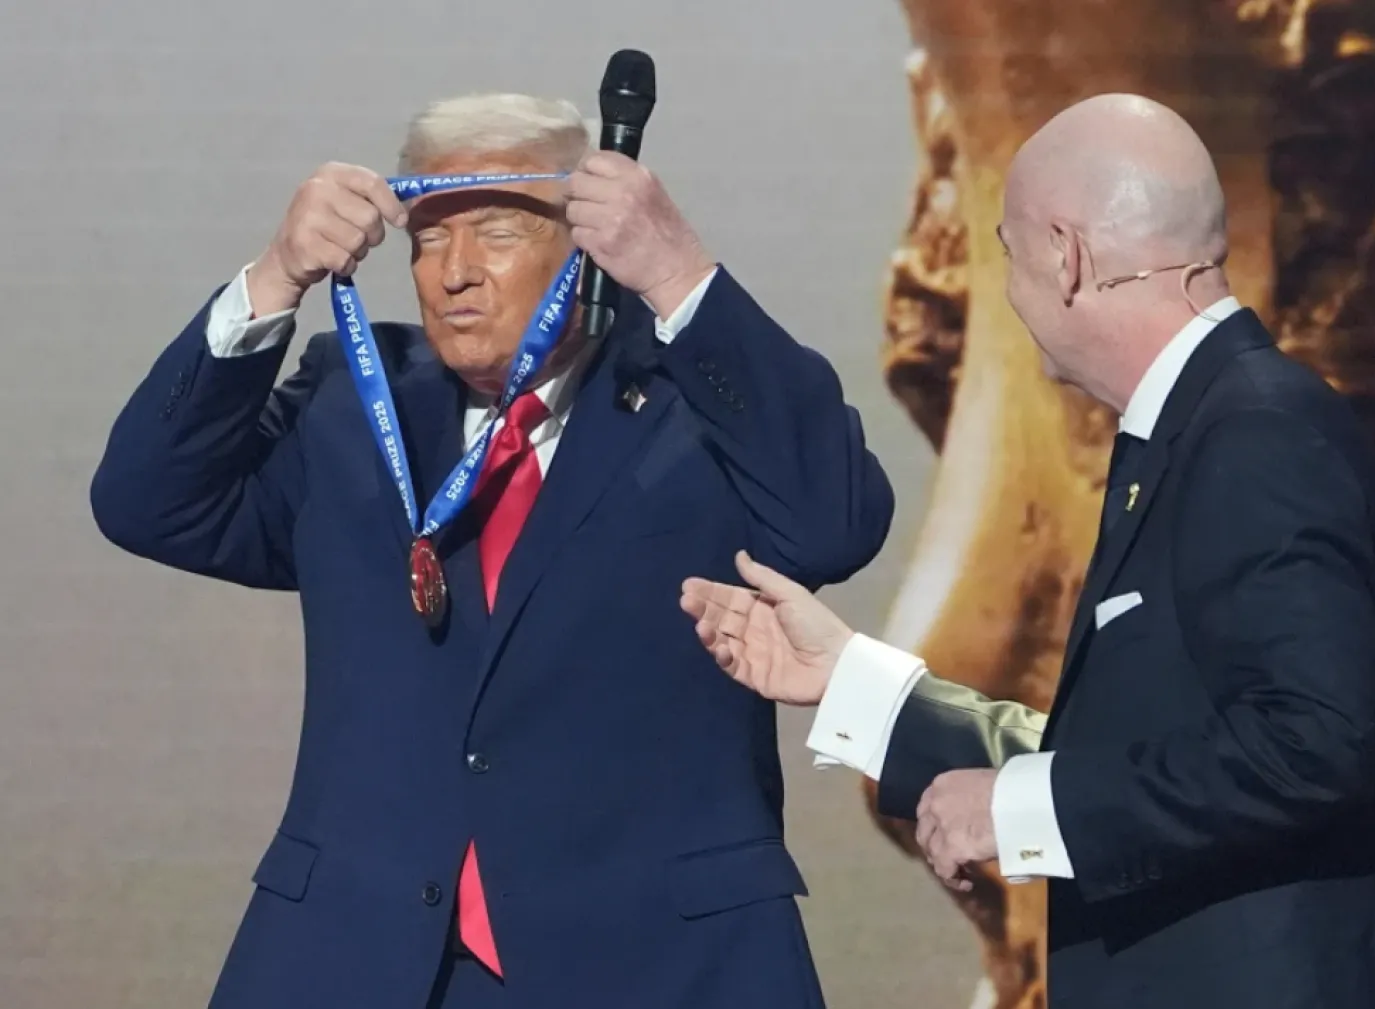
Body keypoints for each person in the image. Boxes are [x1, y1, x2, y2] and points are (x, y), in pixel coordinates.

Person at [91, 92, 893, 1009]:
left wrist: (677, 273)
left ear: (587, 237)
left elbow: (836, 522)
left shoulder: (693, 405)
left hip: (655, 965)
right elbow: (145, 500)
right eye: (428, 238)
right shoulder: (354, 403)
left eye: (497, 231)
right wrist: (274, 277)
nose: (453, 272)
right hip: (364, 961)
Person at [680, 93, 1375, 1009]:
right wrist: (850, 678)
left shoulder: (1258, 434)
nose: (1004, 293)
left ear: (1069, 257)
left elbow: (1310, 745)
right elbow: (1147, 754)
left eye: (1007, 254)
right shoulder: (1196, 431)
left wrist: (1022, 813)